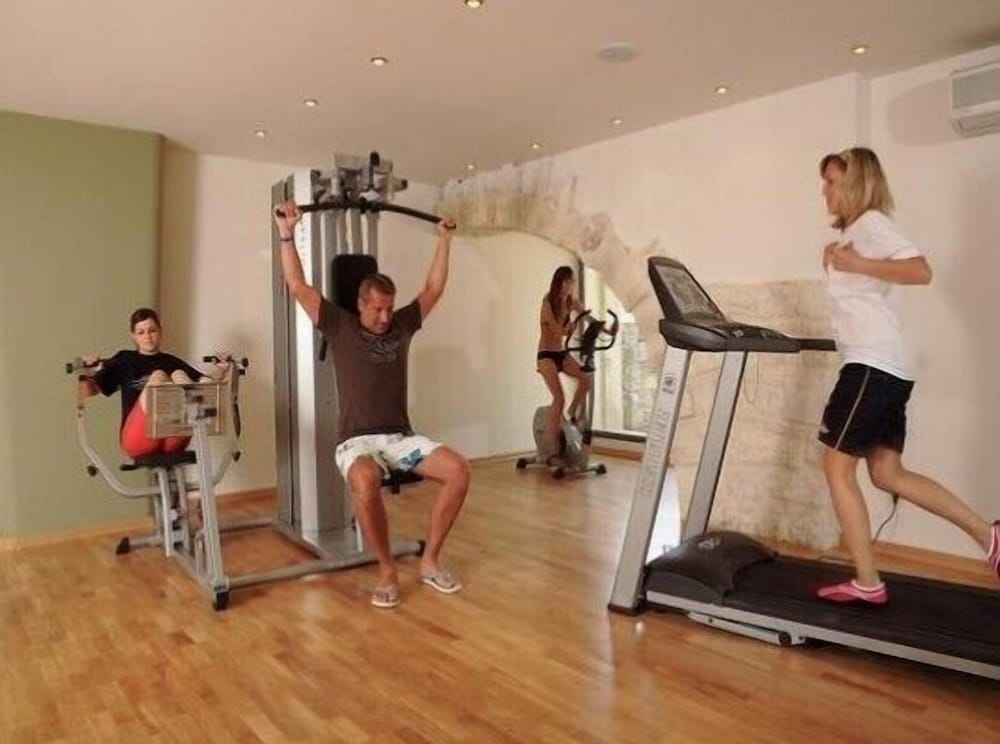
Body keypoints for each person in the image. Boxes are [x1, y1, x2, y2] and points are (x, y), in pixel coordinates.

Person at [815, 146, 999, 604]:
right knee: (887, 472)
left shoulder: (871, 224)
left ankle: (867, 582)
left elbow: (921, 270)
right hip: (886, 365)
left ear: (855, 182)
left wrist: (856, 263)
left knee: (836, 466)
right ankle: (989, 536)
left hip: (871, 365)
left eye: (832, 181)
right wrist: (838, 260)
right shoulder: (855, 233)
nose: (825, 191)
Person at [272, 200, 470, 610]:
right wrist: (286, 233)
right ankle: (386, 571)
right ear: (361, 304)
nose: (384, 317)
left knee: (458, 471)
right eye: (377, 308)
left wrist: (445, 240)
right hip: (356, 442)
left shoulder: (402, 325)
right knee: (364, 480)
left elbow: (433, 289)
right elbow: (297, 286)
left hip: (400, 438)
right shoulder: (338, 324)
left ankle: (430, 561)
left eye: (389, 308)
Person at [78, 308, 231, 459]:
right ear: (133, 336)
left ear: (160, 332)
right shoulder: (124, 360)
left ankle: (198, 418)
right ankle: (187, 409)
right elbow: (88, 391)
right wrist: (86, 372)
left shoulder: (171, 362)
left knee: (179, 375)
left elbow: (205, 387)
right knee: (159, 376)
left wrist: (221, 369)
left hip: (173, 438)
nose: (147, 337)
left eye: (152, 331)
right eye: (141, 332)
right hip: (138, 439)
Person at [536, 266, 592, 466]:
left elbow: (587, 316)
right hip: (546, 355)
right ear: (558, 282)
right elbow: (556, 330)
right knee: (558, 398)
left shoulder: (571, 301)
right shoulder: (547, 302)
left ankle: (572, 412)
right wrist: (571, 328)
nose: (569, 285)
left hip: (561, 353)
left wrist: (606, 329)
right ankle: (551, 453)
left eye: (572, 282)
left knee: (586, 378)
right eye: (565, 281)